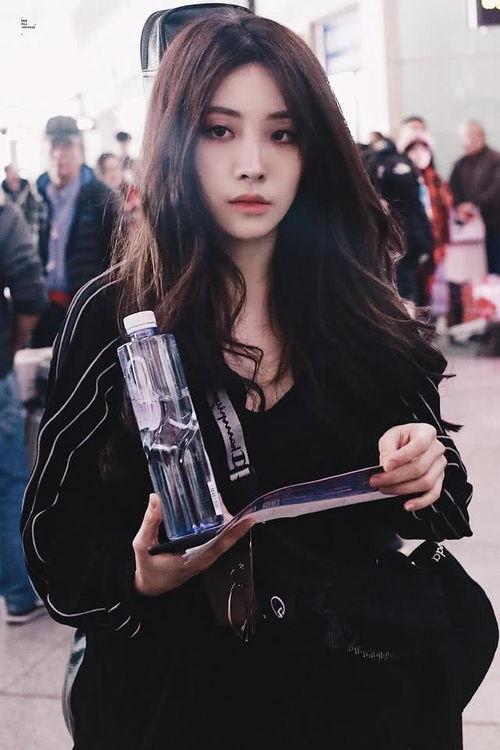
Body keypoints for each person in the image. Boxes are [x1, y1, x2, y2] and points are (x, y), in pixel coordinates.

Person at [22, 10, 495, 749]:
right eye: (219, 130)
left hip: (353, 698)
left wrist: (426, 468)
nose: (252, 164)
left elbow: (445, 496)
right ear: (177, 140)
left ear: (315, 147)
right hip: (176, 701)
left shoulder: (358, 301)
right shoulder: (116, 312)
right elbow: (53, 539)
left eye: (282, 134)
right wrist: (138, 576)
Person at [0, 189, 47, 624]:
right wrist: (10, 348)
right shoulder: (3, 213)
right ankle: (18, 592)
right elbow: (31, 294)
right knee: (10, 481)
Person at [32, 116, 117, 347]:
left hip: (87, 311)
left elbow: (119, 260)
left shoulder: (102, 198)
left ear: (80, 150)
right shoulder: (34, 198)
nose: (59, 154)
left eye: (67, 146)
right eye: (53, 146)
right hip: (44, 312)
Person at [362, 134, 434, 302]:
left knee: (401, 288)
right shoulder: (403, 166)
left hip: (393, 238)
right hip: (408, 238)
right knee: (407, 288)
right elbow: (416, 208)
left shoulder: (375, 164)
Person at [400, 130, 453, 313]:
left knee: (429, 289)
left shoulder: (436, 180)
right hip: (411, 244)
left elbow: (446, 212)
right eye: (413, 150)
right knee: (410, 290)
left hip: (435, 242)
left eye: (423, 149)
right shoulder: (402, 180)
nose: (419, 154)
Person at [449, 121, 500, 275]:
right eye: (463, 137)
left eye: (469, 136)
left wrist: (475, 205)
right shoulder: (460, 164)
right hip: (468, 227)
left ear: (481, 136)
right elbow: (452, 190)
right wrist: (461, 205)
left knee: (495, 269)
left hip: (494, 225)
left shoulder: (496, 160)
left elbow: (496, 189)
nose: (466, 141)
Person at [1, 164, 39, 241]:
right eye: (10, 173)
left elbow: (34, 207)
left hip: (28, 225)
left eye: (15, 173)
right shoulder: (3, 190)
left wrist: (32, 225)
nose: (14, 176)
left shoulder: (27, 187)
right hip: (10, 228)